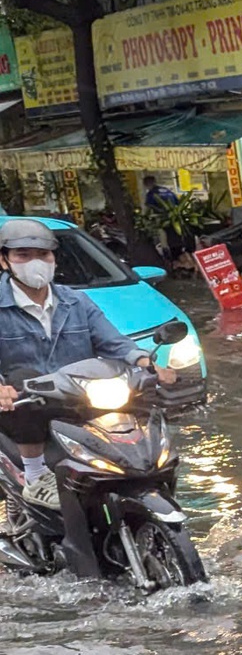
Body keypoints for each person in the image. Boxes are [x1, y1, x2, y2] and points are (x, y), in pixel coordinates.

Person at [0, 219, 172, 521]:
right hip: (24, 404)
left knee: (141, 397)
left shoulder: (75, 301)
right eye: (23, 255)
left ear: (54, 259)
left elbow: (112, 341)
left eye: (43, 255)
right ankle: (36, 476)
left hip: (78, 396)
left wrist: (145, 361)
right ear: (4, 260)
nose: (35, 263)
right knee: (22, 379)